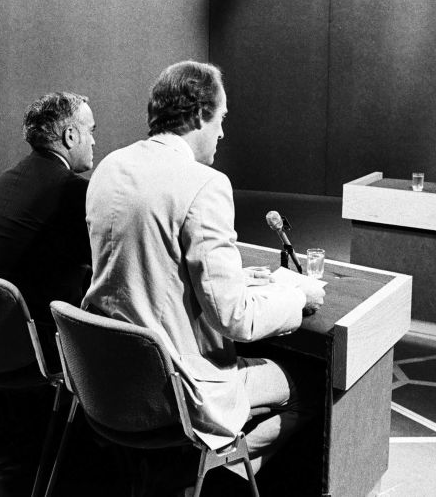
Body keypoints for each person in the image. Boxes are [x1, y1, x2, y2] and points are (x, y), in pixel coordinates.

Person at [81, 60, 324, 482]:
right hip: (175, 390)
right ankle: (221, 479)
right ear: (198, 115)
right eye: (221, 119)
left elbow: (145, 269)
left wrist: (241, 279)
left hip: (106, 382)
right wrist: (298, 297)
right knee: (312, 386)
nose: (223, 133)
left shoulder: (109, 168)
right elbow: (235, 319)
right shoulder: (204, 183)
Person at [0, 92, 95, 334]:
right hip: (42, 339)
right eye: (91, 131)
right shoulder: (73, 190)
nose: (93, 142)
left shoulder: (7, 179)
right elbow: (101, 263)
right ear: (71, 136)